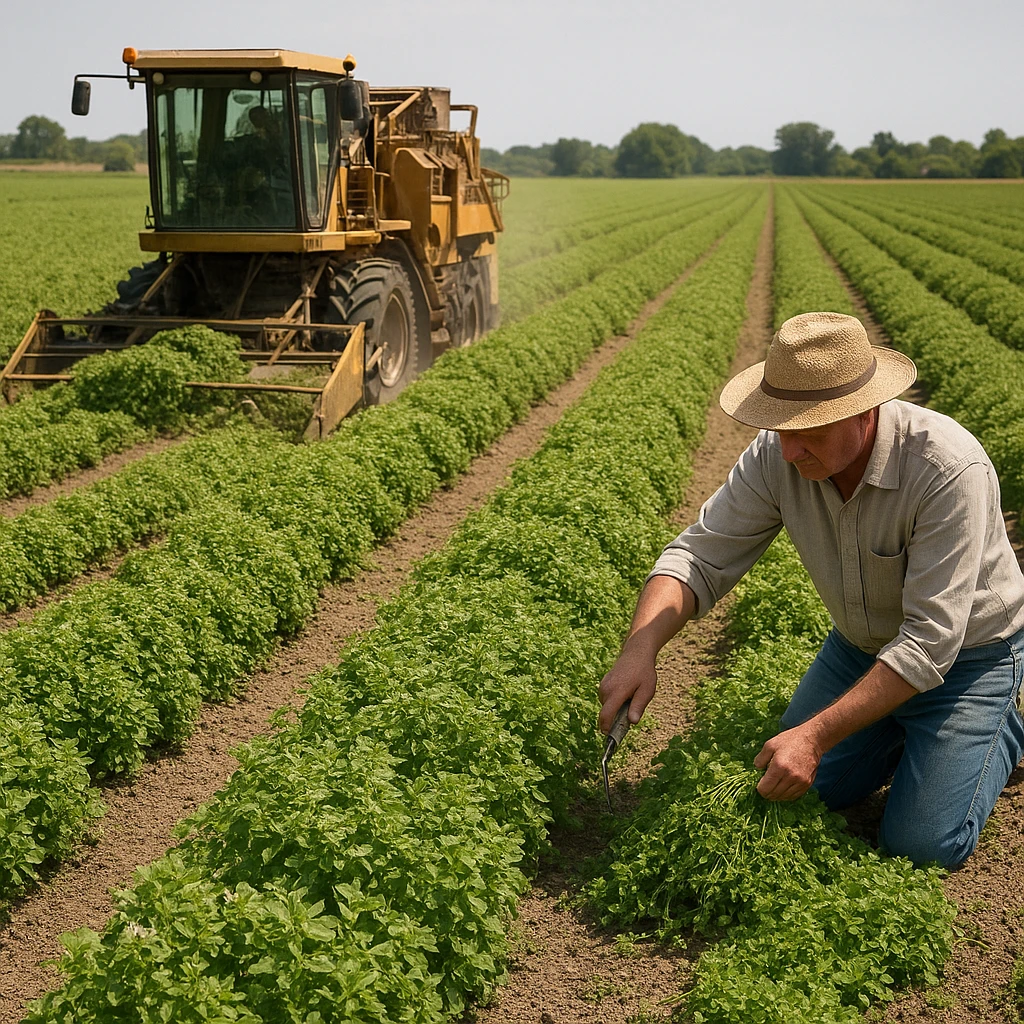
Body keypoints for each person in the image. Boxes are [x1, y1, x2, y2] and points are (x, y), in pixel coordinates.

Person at [598, 311, 1024, 869]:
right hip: (859, 650)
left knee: (920, 847)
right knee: (797, 791)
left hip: (968, 660)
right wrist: (640, 649)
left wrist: (816, 735)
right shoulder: (779, 455)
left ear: (863, 412)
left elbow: (929, 643)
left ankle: (999, 725)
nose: (789, 450)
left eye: (808, 430)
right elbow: (697, 555)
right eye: (781, 428)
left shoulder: (946, 468)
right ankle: (901, 736)